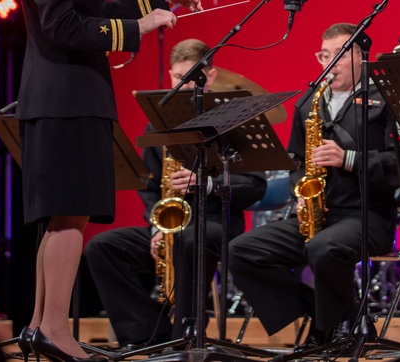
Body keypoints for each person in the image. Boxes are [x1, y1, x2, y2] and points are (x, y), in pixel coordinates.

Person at [16, 0, 202, 362]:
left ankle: (39, 327)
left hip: (65, 97)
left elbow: (92, 9)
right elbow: (64, 27)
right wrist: (135, 29)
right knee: (68, 220)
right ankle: (55, 330)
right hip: (66, 100)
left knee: (62, 219)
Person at [227, 23, 400, 350]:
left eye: (338, 55)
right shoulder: (309, 103)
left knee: (323, 249)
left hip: (368, 216)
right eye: (324, 55)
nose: (330, 63)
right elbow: (297, 163)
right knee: (242, 251)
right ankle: (328, 313)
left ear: (360, 56)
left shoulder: (386, 99)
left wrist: (350, 159)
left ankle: (330, 327)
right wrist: (301, 191)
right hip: (319, 214)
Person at [83, 38, 266, 351]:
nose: (181, 86)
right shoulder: (159, 123)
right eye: (176, 78)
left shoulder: (232, 119)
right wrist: (157, 229)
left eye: (190, 78)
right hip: (172, 225)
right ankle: (144, 334)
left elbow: (255, 186)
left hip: (216, 223)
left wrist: (206, 184)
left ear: (209, 76)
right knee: (102, 247)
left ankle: (184, 336)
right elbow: (151, 189)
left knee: (189, 240)